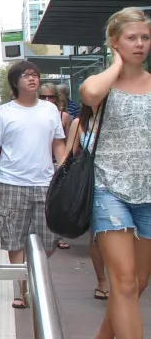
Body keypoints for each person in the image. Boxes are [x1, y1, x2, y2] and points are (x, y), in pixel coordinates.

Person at [79, 7, 151, 339]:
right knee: (122, 282)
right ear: (115, 42)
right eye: (132, 38)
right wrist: (117, 65)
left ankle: (105, 338)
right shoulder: (101, 84)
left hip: (149, 194)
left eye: (145, 38)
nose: (140, 44)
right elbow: (89, 96)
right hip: (109, 191)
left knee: (137, 284)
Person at [0, 61, 66, 308]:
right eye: (26, 76)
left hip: (45, 184)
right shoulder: (4, 113)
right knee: (14, 238)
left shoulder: (49, 110)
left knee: (47, 240)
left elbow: (58, 143)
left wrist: (64, 169)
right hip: (12, 184)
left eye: (35, 75)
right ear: (15, 82)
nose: (32, 79)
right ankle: (21, 288)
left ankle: (34, 276)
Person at [63, 104, 108, 300]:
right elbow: (68, 154)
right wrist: (60, 181)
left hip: (127, 185)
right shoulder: (79, 123)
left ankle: (122, 279)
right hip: (94, 186)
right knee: (98, 235)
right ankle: (102, 281)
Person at [40, 82, 73, 249]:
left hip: (56, 162)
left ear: (56, 98)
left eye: (50, 96)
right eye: (43, 96)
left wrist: (64, 164)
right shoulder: (35, 114)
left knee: (57, 200)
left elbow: (66, 140)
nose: (47, 99)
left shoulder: (64, 116)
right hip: (41, 163)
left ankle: (58, 235)